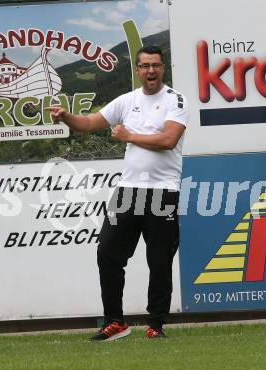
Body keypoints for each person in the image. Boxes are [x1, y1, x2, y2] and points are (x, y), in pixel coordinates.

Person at [47, 45, 188, 341]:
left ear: (163, 69)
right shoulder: (127, 101)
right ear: (137, 70)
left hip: (162, 192)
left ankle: (156, 325)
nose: (151, 70)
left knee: (159, 260)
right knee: (108, 252)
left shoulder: (175, 100)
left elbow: (169, 140)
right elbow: (88, 124)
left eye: (156, 66)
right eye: (145, 66)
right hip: (129, 191)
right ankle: (115, 322)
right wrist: (66, 116)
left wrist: (129, 136)